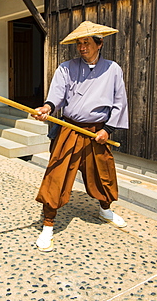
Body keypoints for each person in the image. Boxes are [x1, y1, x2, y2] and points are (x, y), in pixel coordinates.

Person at [32, 21, 129, 252]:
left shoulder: (113, 69)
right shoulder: (66, 68)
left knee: (103, 172)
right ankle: (48, 225)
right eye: (79, 43)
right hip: (70, 129)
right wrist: (47, 107)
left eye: (86, 42)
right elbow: (56, 95)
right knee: (56, 174)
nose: (82, 47)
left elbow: (119, 102)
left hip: (97, 132)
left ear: (99, 43)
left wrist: (108, 129)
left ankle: (105, 209)